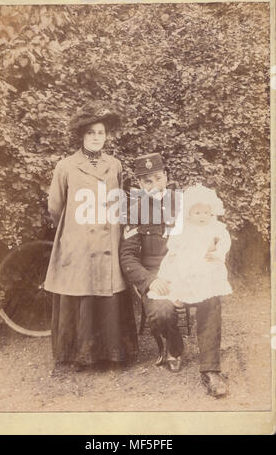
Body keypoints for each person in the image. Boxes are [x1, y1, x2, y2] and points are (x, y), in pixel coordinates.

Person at [119, 153, 228, 397]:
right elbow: (127, 257)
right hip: (158, 276)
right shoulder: (134, 211)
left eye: (158, 178)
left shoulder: (184, 205)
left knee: (210, 300)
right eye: (147, 181)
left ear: (166, 177)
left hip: (190, 270)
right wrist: (150, 281)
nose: (155, 185)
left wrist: (213, 249)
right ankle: (174, 343)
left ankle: (211, 370)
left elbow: (211, 229)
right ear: (139, 184)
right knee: (162, 311)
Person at [44, 100, 138, 373]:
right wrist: (73, 229)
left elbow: (118, 200)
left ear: (107, 136)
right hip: (79, 240)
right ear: (81, 136)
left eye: (101, 133)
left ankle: (112, 356)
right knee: (80, 292)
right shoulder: (66, 166)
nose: (97, 138)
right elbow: (55, 206)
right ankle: (78, 356)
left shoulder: (115, 164)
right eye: (91, 133)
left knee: (109, 291)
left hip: (108, 239)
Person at [147, 184, 232, 305]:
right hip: (187, 259)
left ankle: (204, 295)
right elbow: (174, 240)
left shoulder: (214, 227)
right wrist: (174, 251)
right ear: (189, 214)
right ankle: (179, 295)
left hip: (206, 259)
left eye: (206, 212)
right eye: (197, 213)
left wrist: (218, 253)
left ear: (211, 212)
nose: (202, 216)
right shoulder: (185, 228)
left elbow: (225, 241)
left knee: (208, 274)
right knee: (177, 272)